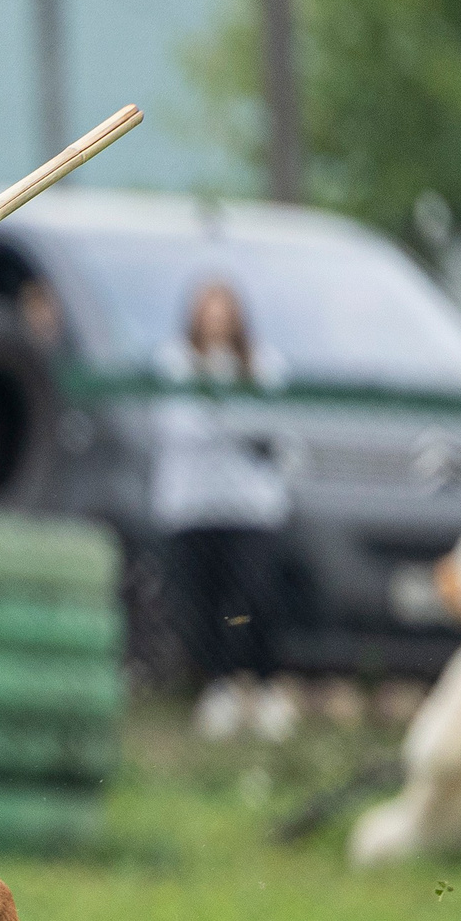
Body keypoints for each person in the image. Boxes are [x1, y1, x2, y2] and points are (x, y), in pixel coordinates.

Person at [153, 277, 296, 741]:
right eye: (207, 308)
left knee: (256, 599)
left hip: (250, 510)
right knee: (204, 603)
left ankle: (265, 686)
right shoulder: (174, 362)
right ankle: (219, 688)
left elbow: (276, 431)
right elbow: (183, 426)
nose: (215, 318)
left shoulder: (265, 364)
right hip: (191, 508)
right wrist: (234, 421)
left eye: (223, 307)